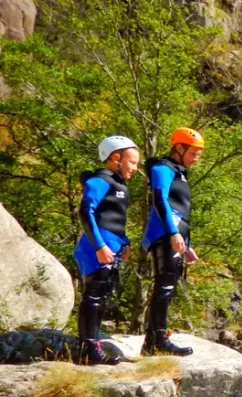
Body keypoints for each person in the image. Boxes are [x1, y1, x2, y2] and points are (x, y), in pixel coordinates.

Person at [73, 136, 140, 366]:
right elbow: (86, 212)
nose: (135, 168)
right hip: (96, 248)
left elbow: (114, 220)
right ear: (116, 158)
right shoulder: (100, 180)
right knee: (93, 296)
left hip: (111, 246)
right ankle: (88, 348)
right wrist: (99, 246)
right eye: (132, 162)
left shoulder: (119, 185)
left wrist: (126, 241)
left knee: (102, 297)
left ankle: (94, 344)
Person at [140, 127, 204, 356]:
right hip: (164, 234)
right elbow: (160, 200)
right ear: (179, 147)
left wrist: (186, 243)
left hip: (175, 235)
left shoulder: (180, 172)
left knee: (168, 287)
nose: (197, 157)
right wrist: (173, 234)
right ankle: (157, 341)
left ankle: (152, 342)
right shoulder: (163, 168)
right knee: (164, 286)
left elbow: (180, 211)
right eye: (194, 152)